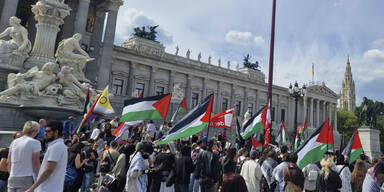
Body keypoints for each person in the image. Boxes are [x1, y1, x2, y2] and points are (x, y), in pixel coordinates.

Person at [26, 121, 68, 192]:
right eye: (45, 131)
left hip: (48, 188)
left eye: (48, 131)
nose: (45, 133)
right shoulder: (58, 145)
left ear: (56, 132)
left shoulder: (56, 147)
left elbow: (49, 170)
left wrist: (32, 188)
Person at [7, 121, 41, 192]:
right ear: (35, 131)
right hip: (27, 177)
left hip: (12, 177)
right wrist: (38, 177)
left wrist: (11, 174)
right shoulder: (35, 142)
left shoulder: (14, 142)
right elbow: (35, 162)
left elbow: (8, 162)